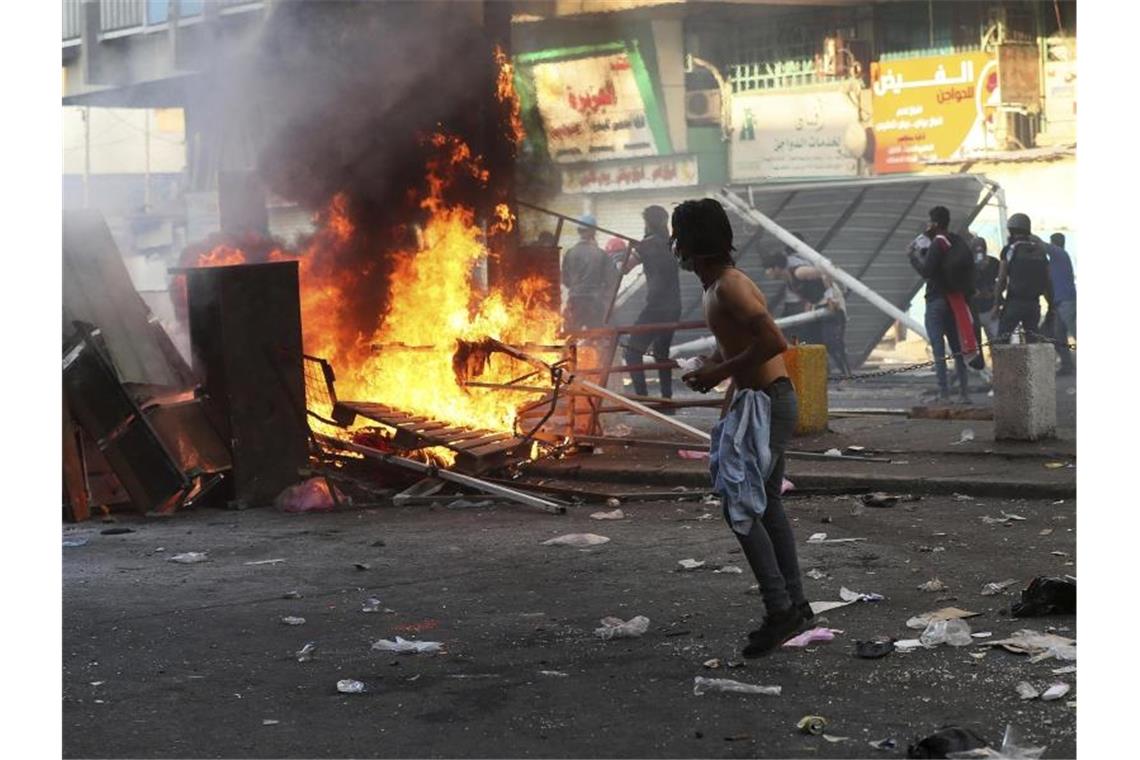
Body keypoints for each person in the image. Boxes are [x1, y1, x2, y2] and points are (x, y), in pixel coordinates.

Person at [671, 198, 810, 657]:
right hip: (754, 402)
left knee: (741, 506)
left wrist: (717, 374)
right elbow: (736, 346)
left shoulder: (730, 285)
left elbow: (774, 342)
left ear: (691, 246)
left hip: (769, 402)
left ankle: (780, 610)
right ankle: (796, 605)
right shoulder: (715, 287)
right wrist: (713, 371)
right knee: (764, 503)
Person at [907, 206, 974, 403]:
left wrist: (913, 257)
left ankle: (944, 393)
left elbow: (927, 271)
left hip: (936, 300)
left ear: (935, 223)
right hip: (954, 300)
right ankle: (964, 393)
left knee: (938, 346)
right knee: (957, 348)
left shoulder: (937, 243)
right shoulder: (955, 240)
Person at [622, 206, 682, 400]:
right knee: (661, 353)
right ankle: (666, 398)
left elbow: (624, 268)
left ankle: (642, 399)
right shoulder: (672, 244)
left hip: (655, 307)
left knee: (632, 352)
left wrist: (627, 251)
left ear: (648, 222)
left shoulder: (646, 245)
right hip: (674, 307)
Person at [993, 213, 1053, 344]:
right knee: (1033, 344)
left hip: (1014, 303)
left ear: (1011, 230)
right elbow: (1048, 281)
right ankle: (1033, 365)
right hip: (1034, 304)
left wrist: (996, 304)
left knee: (1001, 342)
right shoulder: (1040, 251)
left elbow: (1002, 279)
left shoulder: (1010, 249)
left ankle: (1005, 365)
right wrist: (1051, 305)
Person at [761, 239, 826, 346]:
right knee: (805, 341)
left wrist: (830, 296)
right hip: (818, 308)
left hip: (828, 306)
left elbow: (825, 272)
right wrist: (810, 303)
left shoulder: (799, 272)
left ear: (776, 268)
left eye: (768, 269)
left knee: (826, 343)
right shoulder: (790, 282)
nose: (766, 273)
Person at [561, 214, 615, 331]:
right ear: (594, 231)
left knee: (570, 337)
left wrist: (576, 287)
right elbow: (611, 280)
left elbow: (565, 280)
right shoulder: (601, 254)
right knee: (595, 338)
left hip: (574, 301)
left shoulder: (570, 253)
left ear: (579, 231)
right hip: (594, 302)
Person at [1047, 232, 1076, 375]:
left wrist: (1026, 235)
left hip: (1066, 301)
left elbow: (1042, 245)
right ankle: (1067, 365)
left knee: (1074, 332)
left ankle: (1068, 365)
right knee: (1058, 334)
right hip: (1060, 301)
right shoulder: (1057, 259)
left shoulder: (1059, 254)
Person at [818, 274, 852, 377]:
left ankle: (847, 375)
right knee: (827, 345)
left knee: (835, 345)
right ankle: (839, 373)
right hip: (823, 313)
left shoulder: (823, 279)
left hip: (835, 314)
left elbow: (833, 302)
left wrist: (831, 303)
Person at [970, 236, 1001, 345]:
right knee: (975, 345)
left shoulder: (994, 262)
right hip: (974, 310)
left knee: (998, 342)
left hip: (990, 308)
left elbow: (1002, 281)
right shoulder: (967, 265)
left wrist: (993, 292)